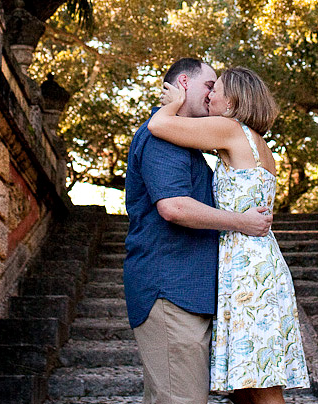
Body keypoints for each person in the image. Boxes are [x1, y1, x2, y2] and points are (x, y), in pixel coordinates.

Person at [149, 66, 309, 404]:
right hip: (255, 260)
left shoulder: (230, 128)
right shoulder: (256, 142)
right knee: (248, 381)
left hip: (248, 268)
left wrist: (174, 101)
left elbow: (159, 126)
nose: (209, 95)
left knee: (262, 384)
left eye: (215, 89)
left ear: (233, 99)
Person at [123, 57, 273, 404]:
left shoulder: (192, 145)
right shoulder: (162, 138)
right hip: (170, 290)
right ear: (184, 84)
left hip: (194, 292)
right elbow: (173, 207)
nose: (211, 96)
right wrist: (242, 221)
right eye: (209, 86)